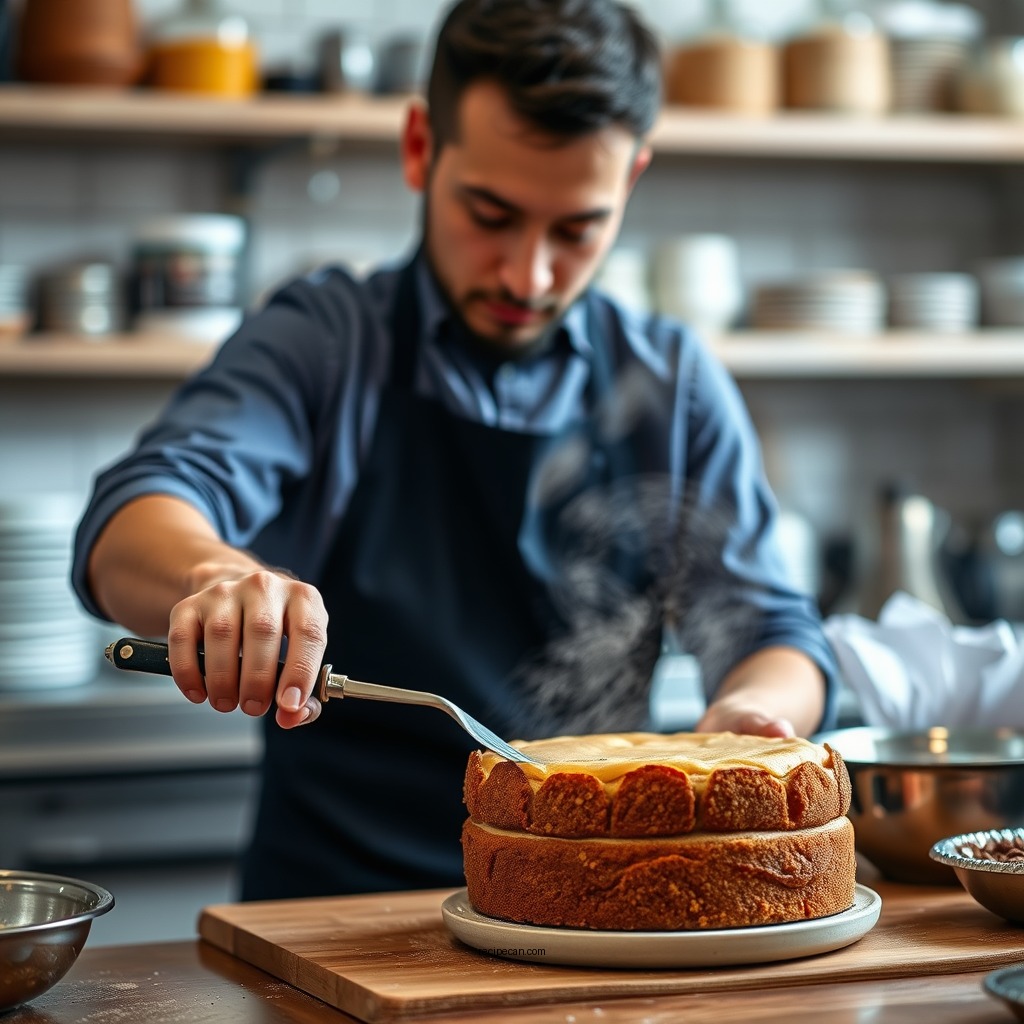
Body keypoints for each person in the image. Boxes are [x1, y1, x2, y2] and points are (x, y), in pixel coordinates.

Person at [72, 0, 839, 901]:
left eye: (576, 228)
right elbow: (132, 520)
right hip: (330, 917)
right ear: (418, 148)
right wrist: (212, 577)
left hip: (589, 914)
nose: (529, 275)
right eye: (491, 212)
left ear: (631, 179)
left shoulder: (670, 386)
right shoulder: (326, 342)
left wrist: (757, 713)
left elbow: (772, 632)